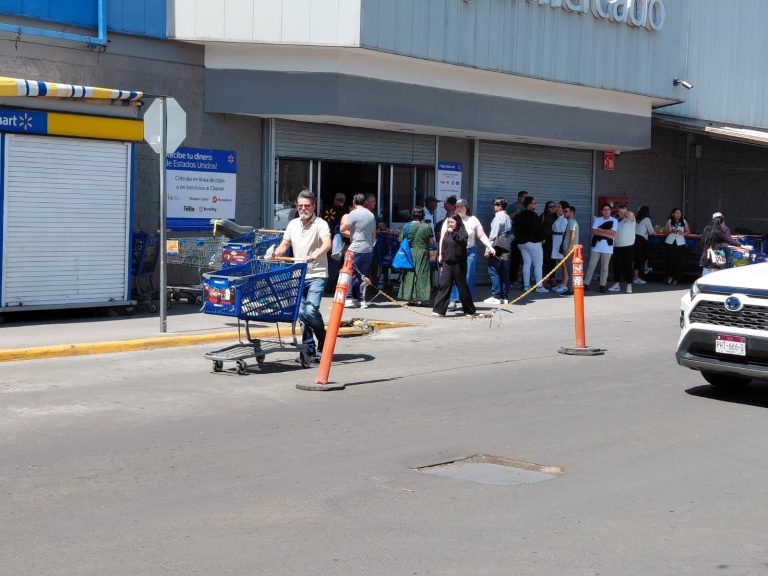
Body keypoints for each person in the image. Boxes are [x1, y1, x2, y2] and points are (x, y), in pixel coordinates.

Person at [273, 190, 331, 363]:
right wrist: (276, 253)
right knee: (301, 315)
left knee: (311, 310)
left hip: (317, 274)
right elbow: (285, 244)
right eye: (300, 206)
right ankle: (308, 349)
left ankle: (324, 342)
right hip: (298, 274)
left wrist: (315, 255)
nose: (303, 209)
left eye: (307, 205)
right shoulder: (292, 224)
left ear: (313, 206)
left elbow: (327, 243)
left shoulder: (320, 224)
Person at [447, 199, 495, 309]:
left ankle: (466, 302)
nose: (458, 208)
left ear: (466, 207)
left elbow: (481, 234)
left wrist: (489, 246)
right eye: (457, 206)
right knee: (454, 276)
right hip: (456, 251)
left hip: (470, 251)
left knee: (468, 277)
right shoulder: (452, 219)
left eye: (461, 206)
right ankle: (453, 300)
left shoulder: (473, 220)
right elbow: (445, 234)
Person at [432, 215, 476, 317]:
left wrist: (454, 233)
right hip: (448, 263)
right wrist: (441, 260)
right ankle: (439, 310)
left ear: (457, 222)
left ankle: (469, 310)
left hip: (459, 264)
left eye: (452, 222)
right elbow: (444, 245)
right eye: (449, 223)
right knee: (444, 286)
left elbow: (463, 242)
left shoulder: (462, 232)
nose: (450, 224)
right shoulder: (447, 233)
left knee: (462, 287)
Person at [340, 193, 376, 308]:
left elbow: (342, 229)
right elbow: (373, 233)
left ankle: (349, 298)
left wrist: (352, 235)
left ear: (354, 202)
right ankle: (362, 300)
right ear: (364, 202)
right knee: (363, 275)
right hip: (368, 249)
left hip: (355, 248)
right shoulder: (371, 215)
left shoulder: (353, 214)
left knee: (349, 272)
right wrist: (371, 243)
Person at [397, 206, 434, 305]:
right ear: (422, 215)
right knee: (422, 275)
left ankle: (410, 298)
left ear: (412, 214)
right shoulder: (427, 227)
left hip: (410, 253)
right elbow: (430, 242)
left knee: (410, 274)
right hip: (423, 253)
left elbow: (400, 239)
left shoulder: (407, 226)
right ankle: (421, 299)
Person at [515, 196, 548, 293]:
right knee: (538, 264)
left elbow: (516, 228)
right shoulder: (533, 215)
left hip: (521, 243)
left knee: (526, 263)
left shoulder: (520, 215)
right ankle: (539, 286)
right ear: (529, 205)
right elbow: (537, 229)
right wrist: (542, 238)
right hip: (533, 242)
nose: (535, 205)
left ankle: (526, 286)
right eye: (534, 203)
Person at [584, 204, 618, 293]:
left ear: (610, 211)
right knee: (591, 266)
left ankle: (602, 285)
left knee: (604, 268)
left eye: (608, 210)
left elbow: (613, 233)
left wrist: (600, 229)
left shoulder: (614, 220)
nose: (606, 211)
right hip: (596, 247)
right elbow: (594, 231)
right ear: (602, 211)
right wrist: (607, 235)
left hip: (607, 248)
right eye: (604, 210)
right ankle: (586, 284)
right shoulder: (597, 219)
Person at [485, 196, 512, 305]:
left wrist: (488, 248)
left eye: (495, 205)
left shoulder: (498, 217)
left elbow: (493, 235)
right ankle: (504, 297)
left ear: (500, 206)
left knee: (494, 271)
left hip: (497, 246)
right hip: (506, 245)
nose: (494, 206)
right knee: (504, 272)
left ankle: (495, 296)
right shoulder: (507, 217)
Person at [322, 192, 347, 293]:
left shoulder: (325, 209)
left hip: (325, 240)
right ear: (343, 202)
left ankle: (325, 283)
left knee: (326, 263)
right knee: (335, 263)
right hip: (337, 242)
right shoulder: (344, 212)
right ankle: (330, 284)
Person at [608, 205, 636, 293]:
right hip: (617, 246)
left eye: (623, 212)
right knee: (617, 266)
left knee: (628, 266)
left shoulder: (631, 220)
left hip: (629, 246)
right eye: (619, 212)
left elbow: (631, 215)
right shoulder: (616, 221)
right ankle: (617, 284)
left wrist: (626, 213)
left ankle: (629, 285)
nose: (621, 214)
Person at [554, 204, 580, 296]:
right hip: (567, 248)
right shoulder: (570, 221)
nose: (564, 213)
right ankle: (570, 289)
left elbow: (573, 236)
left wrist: (568, 249)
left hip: (569, 250)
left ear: (571, 212)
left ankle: (571, 290)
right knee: (569, 269)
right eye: (564, 211)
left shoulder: (572, 222)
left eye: (566, 211)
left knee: (570, 270)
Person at [662, 207, 690, 286]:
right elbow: (664, 231)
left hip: (680, 243)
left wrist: (683, 233)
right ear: (673, 214)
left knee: (679, 262)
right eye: (677, 213)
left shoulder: (684, 221)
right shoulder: (670, 221)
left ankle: (676, 278)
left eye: (680, 213)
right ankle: (669, 276)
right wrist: (671, 231)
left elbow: (688, 231)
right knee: (670, 260)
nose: (678, 215)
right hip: (670, 242)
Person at [507, 190, 528, 287]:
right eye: (524, 197)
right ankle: (513, 279)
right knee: (515, 258)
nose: (526, 199)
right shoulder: (512, 206)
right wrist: (517, 212)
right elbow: (507, 218)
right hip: (515, 236)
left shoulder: (528, 207)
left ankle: (525, 280)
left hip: (525, 236)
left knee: (526, 259)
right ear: (519, 197)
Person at [633, 206, 654, 285]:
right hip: (641, 240)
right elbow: (651, 231)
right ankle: (636, 278)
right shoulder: (647, 219)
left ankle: (645, 268)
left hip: (634, 239)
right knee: (641, 257)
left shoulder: (637, 219)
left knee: (637, 258)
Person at [550, 201, 569, 287]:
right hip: (556, 241)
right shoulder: (559, 218)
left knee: (564, 264)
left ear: (563, 209)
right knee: (561, 264)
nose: (556, 207)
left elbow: (564, 233)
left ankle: (565, 284)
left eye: (559, 206)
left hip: (559, 242)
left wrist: (562, 246)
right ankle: (563, 283)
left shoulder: (564, 219)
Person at [540, 200, 558, 284]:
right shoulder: (542, 216)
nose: (553, 208)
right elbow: (537, 228)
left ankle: (552, 278)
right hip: (545, 242)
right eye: (551, 207)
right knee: (545, 260)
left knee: (553, 260)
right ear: (547, 208)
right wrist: (541, 239)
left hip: (554, 241)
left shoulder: (557, 217)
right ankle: (545, 279)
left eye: (554, 206)